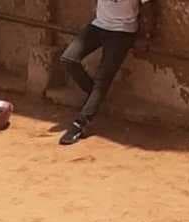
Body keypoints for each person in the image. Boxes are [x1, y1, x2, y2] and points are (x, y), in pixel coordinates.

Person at [58, 0, 155, 145]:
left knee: (103, 79)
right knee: (68, 59)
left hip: (122, 32)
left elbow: (149, 8)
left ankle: (80, 123)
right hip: (98, 25)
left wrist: (145, 36)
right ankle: (94, 96)